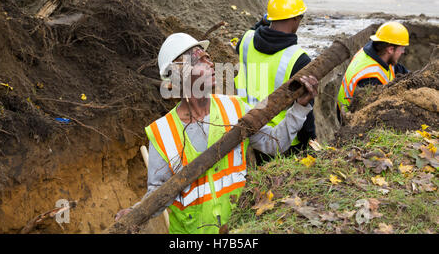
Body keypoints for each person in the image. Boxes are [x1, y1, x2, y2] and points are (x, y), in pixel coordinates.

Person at [115, 32, 319, 234]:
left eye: (208, 57)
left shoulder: (235, 108)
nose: (211, 63)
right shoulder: (162, 133)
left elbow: (274, 144)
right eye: (200, 60)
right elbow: (158, 196)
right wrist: (134, 213)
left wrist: (300, 109)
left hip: (240, 230)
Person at [234, 0, 316, 161]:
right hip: (279, 141)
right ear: (295, 19)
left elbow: (255, 29)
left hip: (245, 128)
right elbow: (304, 107)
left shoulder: (246, 41)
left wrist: (265, 20)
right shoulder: (299, 60)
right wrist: (310, 142)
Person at [336, 21, 410, 121]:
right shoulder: (370, 77)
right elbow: (371, 113)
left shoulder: (377, 53)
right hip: (351, 118)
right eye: (402, 48)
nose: (403, 52)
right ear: (391, 49)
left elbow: (402, 72)